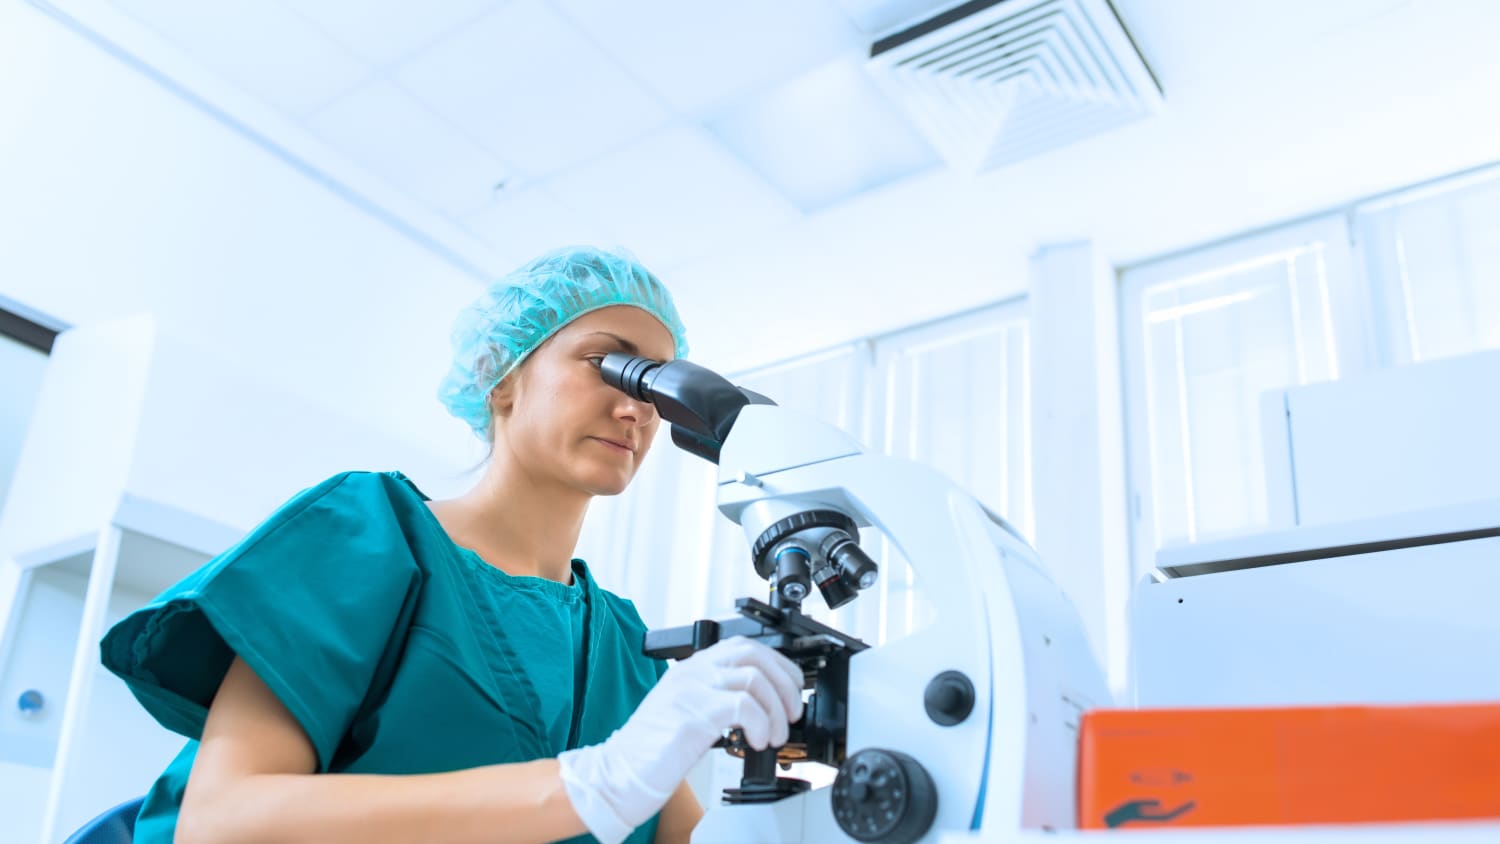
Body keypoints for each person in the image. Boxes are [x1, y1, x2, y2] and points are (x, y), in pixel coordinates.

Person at [100, 246, 805, 844]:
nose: (635, 406)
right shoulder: (369, 536)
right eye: (608, 364)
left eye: (655, 387)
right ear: (502, 380)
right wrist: (591, 784)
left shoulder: (621, 637)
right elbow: (223, 823)